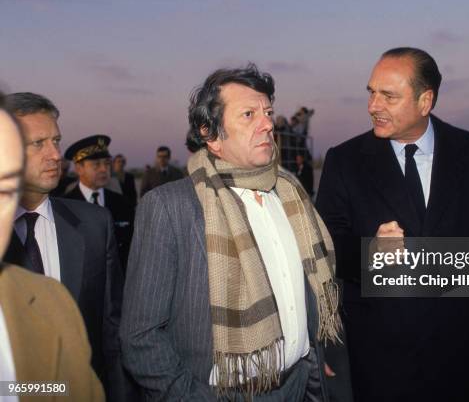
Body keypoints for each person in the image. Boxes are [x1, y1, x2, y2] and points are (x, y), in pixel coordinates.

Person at [316, 47, 469, 402]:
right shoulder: (344, 161)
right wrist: (369, 252)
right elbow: (325, 246)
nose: (373, 105)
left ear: (425, 100)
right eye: (371, 92)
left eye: (388, 96)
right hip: (378, 347)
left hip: (455, 343)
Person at [120, 64, 341, 401]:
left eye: (268, 112)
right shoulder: (170, 207)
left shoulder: (292, 193)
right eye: (249, 114)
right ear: (210, 134)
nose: (267, 124)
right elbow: (140, 336)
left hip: (299, 386)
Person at [2, 92, 128, 400]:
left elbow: (112, 329)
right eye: (38, 143)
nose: (56, 155)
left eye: (56, 141)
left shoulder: (95, 224)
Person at [63, 135, 134, 271]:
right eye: (96, 164)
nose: (103, 169)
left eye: (107, 163)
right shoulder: (65, 206)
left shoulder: (123, 203)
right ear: (79, 169)